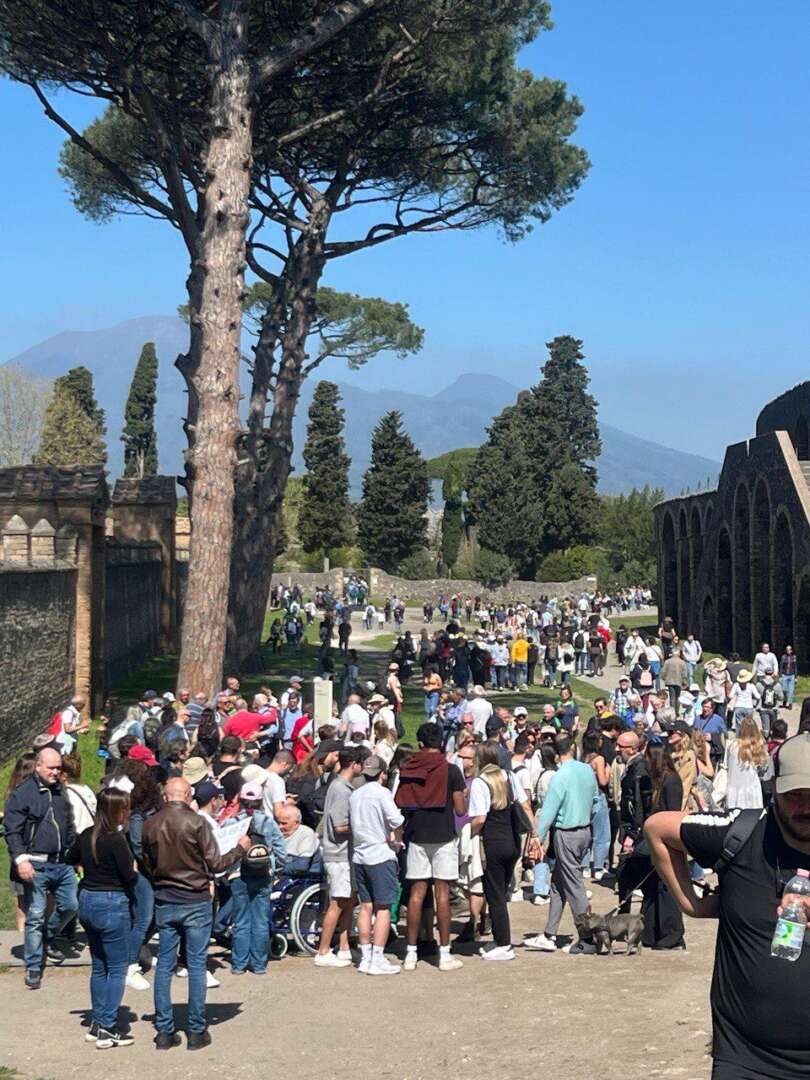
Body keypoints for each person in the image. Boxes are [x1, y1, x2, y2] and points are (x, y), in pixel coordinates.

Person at [645, 733, 810, 1079]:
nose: (805, 806)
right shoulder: (742, 831)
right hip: (745, 1058)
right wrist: (691, 904)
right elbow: (657, 828)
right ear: (774, 788)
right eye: (794, 796)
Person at [141, 777, 251, 1050]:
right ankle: (196, 1029)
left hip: (166, 898)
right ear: (188, 795)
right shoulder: (197, 823)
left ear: (165, 797)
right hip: (195, 898)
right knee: (196, 964)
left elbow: (146, 862)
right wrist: (240, 849)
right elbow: (215, 864)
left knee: (165, 965)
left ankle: (165, 1031)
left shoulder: (150, 824)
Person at [67, 784, 138, 1048]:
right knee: (118, 967)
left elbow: (70, 856)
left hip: (87, 899)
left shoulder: (87, 835)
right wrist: (135, 869)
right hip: (112, 901)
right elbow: (128, 877)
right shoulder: (117, 840)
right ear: (118, 811)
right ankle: (107, 1027)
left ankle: (98, 1020)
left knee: (99, 966)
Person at [3, 747, 78, 989]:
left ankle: (48, 936)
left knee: (71, 905)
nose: (56, 772)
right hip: (36, 863)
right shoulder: (22, 794)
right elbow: (12, 830)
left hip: (62, 862)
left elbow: (68, 823)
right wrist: (20, 859)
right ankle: (33, 965)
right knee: (35, 913)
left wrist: (74, 852)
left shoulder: (60, 791)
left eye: (59, 768)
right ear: (38, 766)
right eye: (51, 768)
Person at [395, 723, 466, 972]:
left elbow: (399, 802)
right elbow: (460, 809)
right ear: (441, 743)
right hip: (443, 835)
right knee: (442, 894)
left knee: (416, 893)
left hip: (416, 835)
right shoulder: (451, 770)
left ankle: (411, 953)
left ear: (420, 743)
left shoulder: (409, 767)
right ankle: (444, 954)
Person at [525, 735, 597, 954]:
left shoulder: (559, 776)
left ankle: (588, 938)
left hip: (567, 833)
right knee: (558, 884)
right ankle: (549, 934)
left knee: (574, 885)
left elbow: (549, 811)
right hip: (584, 831)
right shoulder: (587, 769)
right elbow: (595, 800)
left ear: (556, 755)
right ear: (573, 749)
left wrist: (537, 837)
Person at [468, 741, 538, 960]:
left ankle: (504, 944)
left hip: (493, 843)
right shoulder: (509, 776)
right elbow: (526, 806)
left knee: (494, 894)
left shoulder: (481, 783)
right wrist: (535, 834)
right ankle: (500, 939)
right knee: (501, 893)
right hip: (513, 842)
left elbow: (480, 818)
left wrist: (464, 832)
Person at [349, 755, 404, 975]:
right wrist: (397, 840)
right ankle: (378, 957)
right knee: (383, 907)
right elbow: (397, 820)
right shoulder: (382, 793)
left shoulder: (355, 795)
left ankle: (365, 956)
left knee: (366, 906)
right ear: (382, 774)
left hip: (360, 854)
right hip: (379, 854)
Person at [228, 782, 286, 976]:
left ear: (241, 800)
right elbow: (281, 850)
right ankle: (259, 964)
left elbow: (224, 848)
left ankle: (238, 964)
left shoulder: (232, 822)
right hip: (263, 875)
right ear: (261, 801)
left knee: (241, 920)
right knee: (260, 920)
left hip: (239, 874)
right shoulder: (268, 822)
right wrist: (275, 870)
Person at [315, 747, 363, 968]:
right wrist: (361, 827)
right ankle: (323, 951)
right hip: (338, 854)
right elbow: (339, 825)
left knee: (348, 900)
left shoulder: (340, 786)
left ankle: (344, 946)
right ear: (354, 765)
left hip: (343, 853)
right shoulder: (342, 791)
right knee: (337, 902)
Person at [725, 716, 773, 810]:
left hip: (734, 786)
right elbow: (764, 768)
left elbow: (727, 765)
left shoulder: (732, 745)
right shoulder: (759, 746)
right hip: (752, 786)